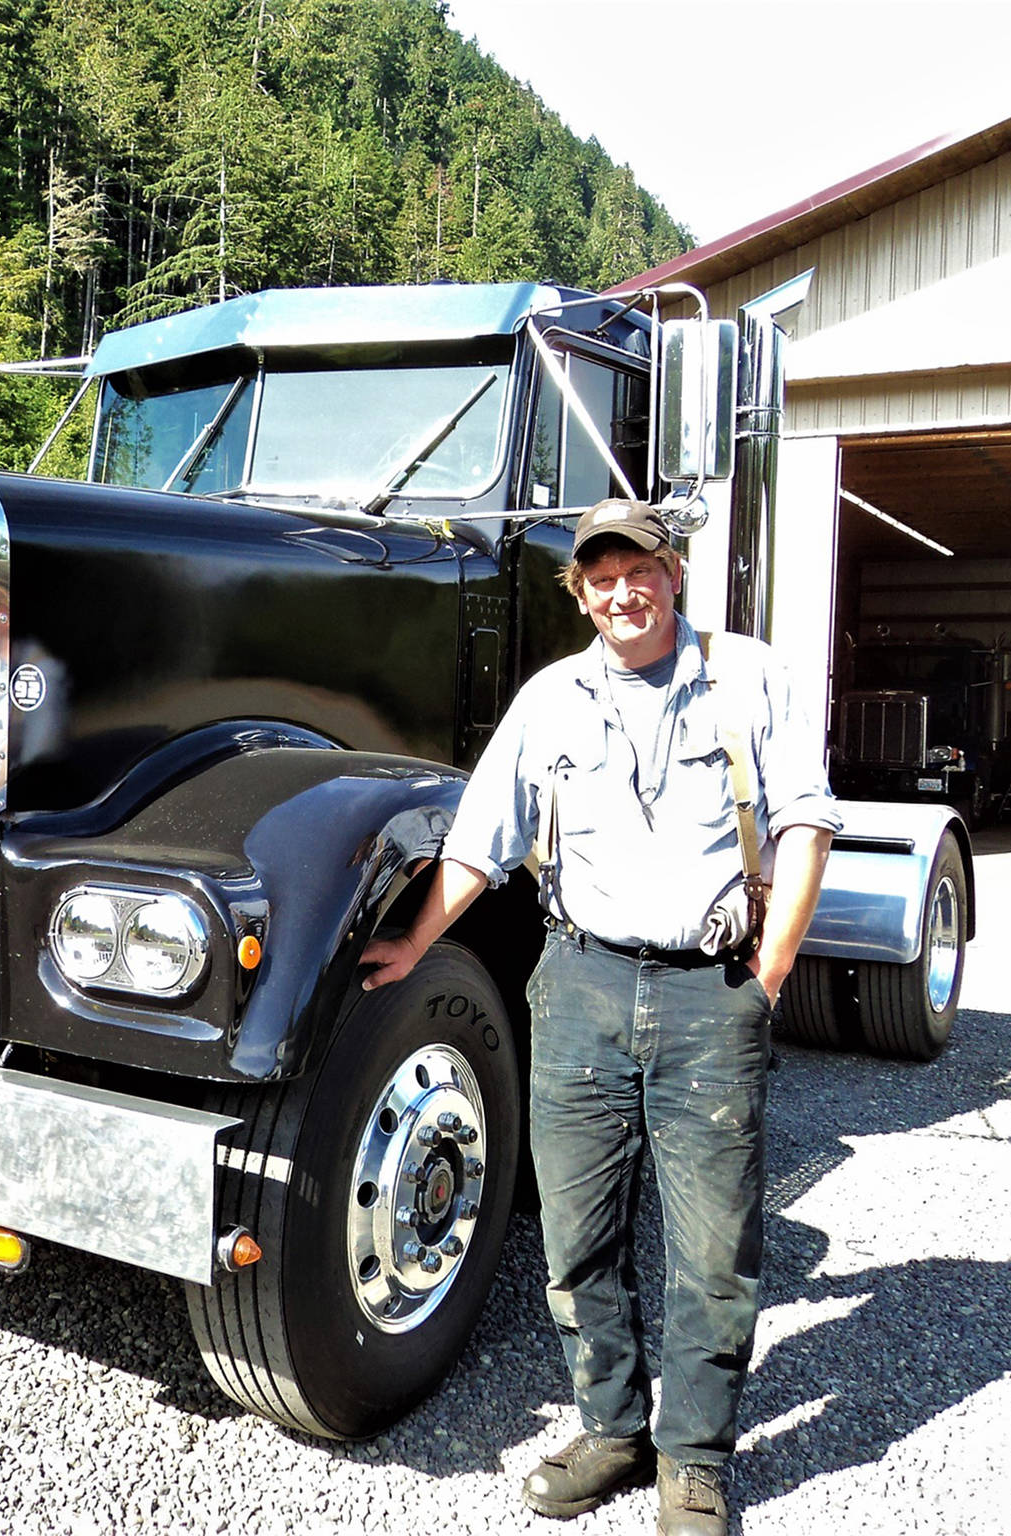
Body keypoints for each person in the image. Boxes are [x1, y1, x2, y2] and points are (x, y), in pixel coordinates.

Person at [360, 499, 839, 1535]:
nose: (622, 593)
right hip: (576, 984)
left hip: (708, 991)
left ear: (673, 576)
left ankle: (695, 1461)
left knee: (714, 1253)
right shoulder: (552, 698)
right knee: (578, 1236)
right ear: (577, 593)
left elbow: (804, 822)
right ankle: (612, 1431)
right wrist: (414, 944)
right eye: (600, 577)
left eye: (640, 571)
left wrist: (771, 969)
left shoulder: (750, 677)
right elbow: (483, 842)